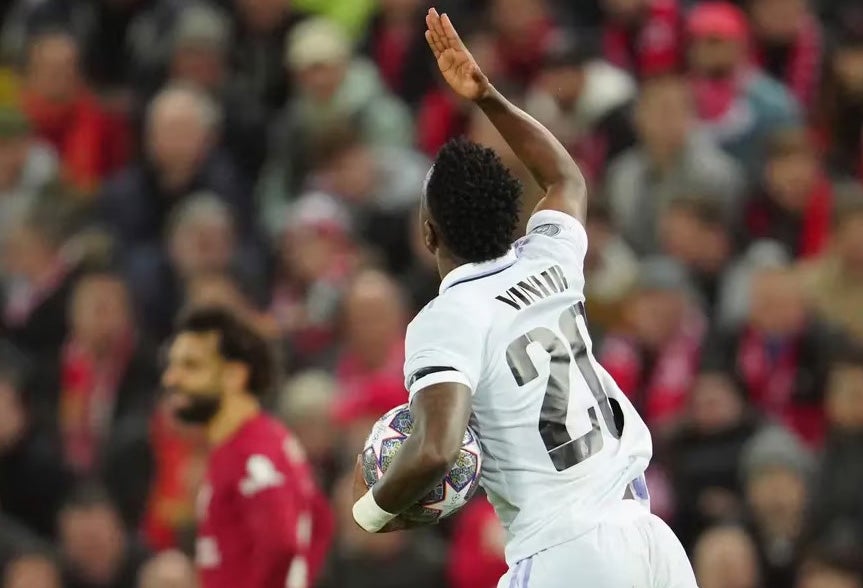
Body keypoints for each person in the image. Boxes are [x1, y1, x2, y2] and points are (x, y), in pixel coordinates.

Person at [349, 9, 697, 588]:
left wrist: (370, 511)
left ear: (429, 233)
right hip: (650, 538)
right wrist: (487, 95)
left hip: (568, 552)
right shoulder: (550, 258)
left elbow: (436, 448)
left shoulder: (445, 319)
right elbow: (566, 178)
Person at [160, 307, 333, 588]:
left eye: (190, 366)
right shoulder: (253, 443)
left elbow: (282, 544)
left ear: (234, 375)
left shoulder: (253, 452)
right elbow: (321, 521)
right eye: (173, 364)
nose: (171, 378)